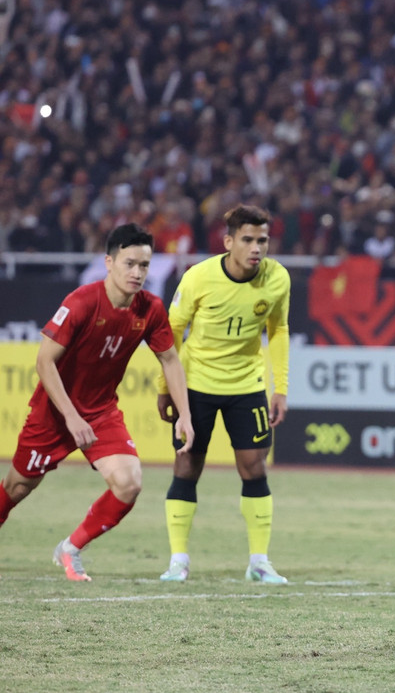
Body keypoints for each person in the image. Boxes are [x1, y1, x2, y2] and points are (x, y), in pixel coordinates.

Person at [1, 225, 195, 580]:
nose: (137, 273)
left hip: (101, 411)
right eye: (130, 263)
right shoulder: (81, 302)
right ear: (109, 262)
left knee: (129, 481)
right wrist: (72, 418)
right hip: (54, 414)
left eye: (144, 266)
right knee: (17, 487)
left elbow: (170, 359)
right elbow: (44, 362)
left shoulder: (150, 308)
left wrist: (185, 414)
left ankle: (70, 549)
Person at [155, 205, 292, 584]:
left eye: (262, 240)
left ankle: (259, 561)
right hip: (196, 385)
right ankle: (178, 560)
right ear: (228, 241)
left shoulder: (277, 278)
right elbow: (172, 331)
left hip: (246, 386)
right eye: (248, 239)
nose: (256, 248)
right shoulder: (198, 278)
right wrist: (166, 388)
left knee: (254, 467)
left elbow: (278, 330)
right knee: (186, 466)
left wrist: (280, 388)